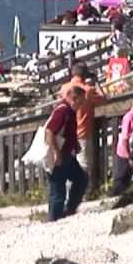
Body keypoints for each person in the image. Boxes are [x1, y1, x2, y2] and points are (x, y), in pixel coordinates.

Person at [44, 84, 89, 221]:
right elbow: (50, 131)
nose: (81, 105)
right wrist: (56, 152)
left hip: (68, 154)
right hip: (60, 155)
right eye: (80, 101)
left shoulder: (69, 111)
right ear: (74, 98)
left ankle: (69, 209)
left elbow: (68, 133)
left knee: (81, 179)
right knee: (58, 189)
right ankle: (54, 218)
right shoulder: (62, 111)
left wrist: (75, 146)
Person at [60, 72, 108, 173]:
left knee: (68, 163)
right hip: (82, 130)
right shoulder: (87, 90)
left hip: (67, 131)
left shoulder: (64, 88)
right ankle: (82, 187)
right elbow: (103, 99)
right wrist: (96, 82)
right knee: (83, 163)